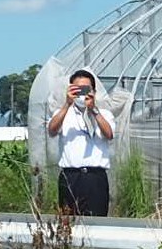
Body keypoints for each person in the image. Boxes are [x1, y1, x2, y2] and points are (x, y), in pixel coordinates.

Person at [47, 69, 115, 216]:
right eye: (78, 89)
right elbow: (52, 130)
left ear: (94, 92)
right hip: (70, 176)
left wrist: (94, 110)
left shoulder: (104, 114)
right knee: (68, 222)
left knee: (96, 221)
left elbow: (109, 134)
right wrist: (67, 104)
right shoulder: (63, 114)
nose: (82, 94)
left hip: (94, 178)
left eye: (86, 89)